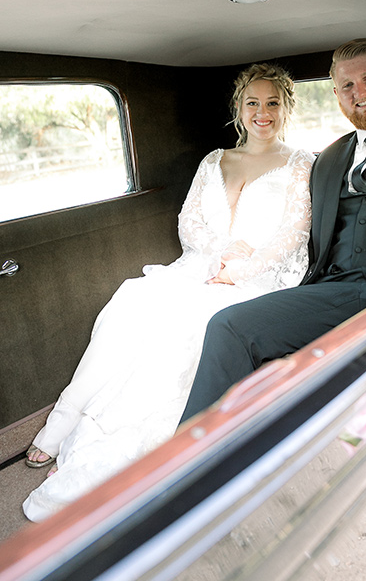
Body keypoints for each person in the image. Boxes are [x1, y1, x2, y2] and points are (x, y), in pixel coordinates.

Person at [23, 63, 314, 522]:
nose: (263, 112)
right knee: (132, 303)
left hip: (258, 278)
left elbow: (294, 234)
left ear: (286, 107)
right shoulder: (215, 160)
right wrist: (217, 253)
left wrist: (240, 270)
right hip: (199, 266)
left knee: (188, 328)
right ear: (239, 108)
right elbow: (189, 222)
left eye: (272, 102)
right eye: (252, 102)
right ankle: (62, 424)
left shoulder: (301, 163)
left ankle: (130, 452)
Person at [179, 37, 366, 423]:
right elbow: (297, 226)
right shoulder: (330, 158)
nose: (359, 93)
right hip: (331, 287)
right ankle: (192, 463)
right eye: (347, 86)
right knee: (229, 326)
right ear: (336, 93)